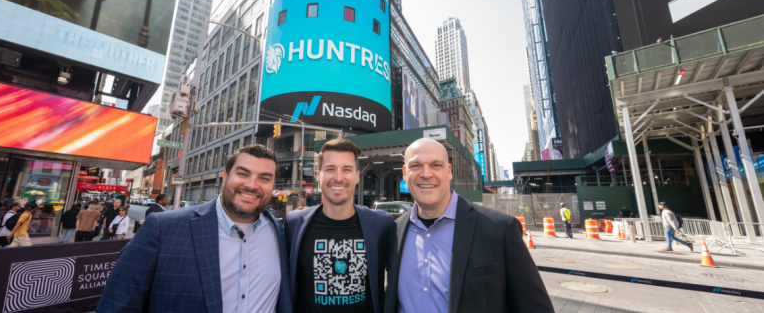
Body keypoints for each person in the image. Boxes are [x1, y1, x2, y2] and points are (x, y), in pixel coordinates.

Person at [97, 144, 291, 313]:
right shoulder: (162, 228)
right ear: (225, 177)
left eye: (264, 178)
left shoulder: (280, 233)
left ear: (273, 186)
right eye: (243, 174)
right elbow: (116, 305)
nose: (252, 185)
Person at [385, 138, 553, 312]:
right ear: (404, 173)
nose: (426, 174)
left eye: (436, 165)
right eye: (415, 166)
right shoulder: (394, 232)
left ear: (449, 172)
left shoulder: (500, 229)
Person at [285, 139, 393, 313]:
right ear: (318, 175)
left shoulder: (382, 224)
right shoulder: (293, 224)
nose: (338, 177)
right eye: (330, 169)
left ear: (357, 176)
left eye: (347, 169)